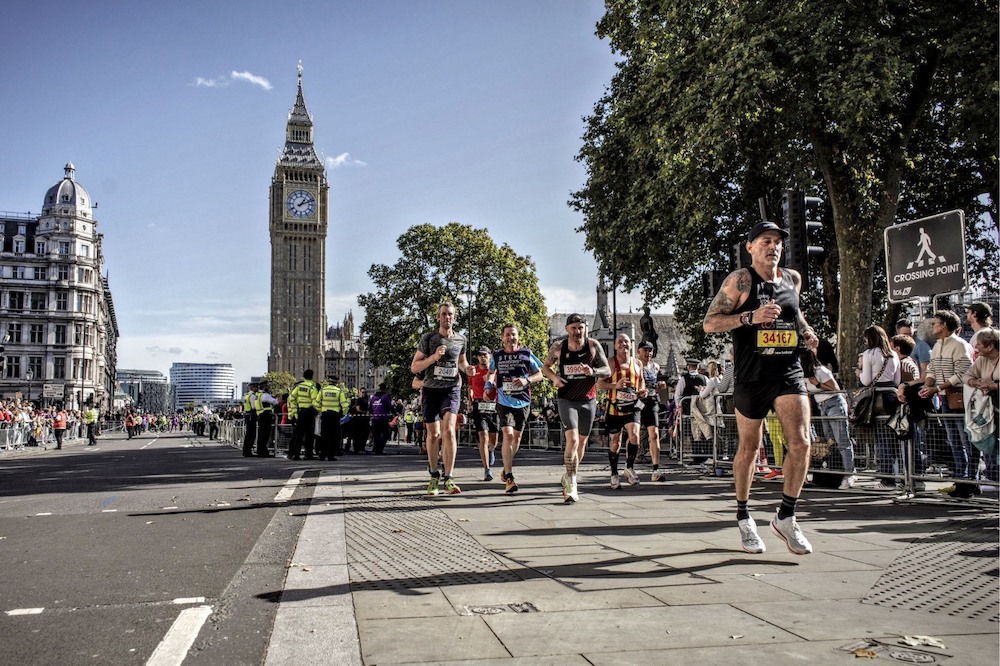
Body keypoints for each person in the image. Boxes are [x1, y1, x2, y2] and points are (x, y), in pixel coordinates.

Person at [703, 220, 819, 555]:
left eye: (778, 242)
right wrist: (750, 317)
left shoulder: (791, 279)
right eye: (766, 241)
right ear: (750, 247)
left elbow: (797, 317)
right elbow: (710, 323)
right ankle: (743, 516)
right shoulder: (740, 280)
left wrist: (806, 332)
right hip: (752, 376)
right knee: (749, 448)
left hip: (788, 371)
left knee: (801, 442)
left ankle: (786, 515)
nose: (773, 247)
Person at [541, 313, 611, 503]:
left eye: (581, 328)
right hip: (567, 399)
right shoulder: (558, 347)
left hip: (588, 400)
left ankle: (568, 475)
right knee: (571, 440)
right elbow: (545, 367)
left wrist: (593, 371)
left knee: (581, 443)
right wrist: (555, 378)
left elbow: (607, 370)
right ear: (567, 329)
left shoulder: (593, 345)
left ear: (585, 328)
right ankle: (572, 483)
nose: (577, 332)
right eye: (573, 328)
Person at [904, 311, 974, 495]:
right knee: (954, 441)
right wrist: (927, 386)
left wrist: (937, 387)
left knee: (965, 439)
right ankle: (960, 479)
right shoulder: (936, 346)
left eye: (935, 323)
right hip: (945, 398)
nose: (932, 326)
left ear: (943, 325)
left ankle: (969, 480)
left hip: (960, 397)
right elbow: (932, 369)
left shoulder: (959, 345)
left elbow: (963, 372)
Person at [411, 302, 469, 496]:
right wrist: (433, 357)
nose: (447, 317)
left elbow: (462, 362)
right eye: (443, 314)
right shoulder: (428, 338)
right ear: (438, 317)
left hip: (451, 389)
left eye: (450, 314)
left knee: (449, 431)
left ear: (454, 317)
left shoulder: (461, 339)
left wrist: (467, 369)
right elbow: (415, 367)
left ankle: (450, 477)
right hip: (430, 390)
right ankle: (434, 475)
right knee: (433, 435)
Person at [490, 324, 545, 494]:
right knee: (507, 434)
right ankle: (509, 476)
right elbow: (491, 373)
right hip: (503, 400)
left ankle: (506, 467)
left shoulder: (526, 353)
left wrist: (526, 380)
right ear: (502, 338)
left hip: (523, 401)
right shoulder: (497, 355)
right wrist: (487, 386)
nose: (510, 338)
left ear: (518, 337)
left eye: (513, 334)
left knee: (517, 438)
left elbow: (540, 374)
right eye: (507, 335)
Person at [800, 348, 855, 488]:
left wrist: (818, 384)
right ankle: (833, 470)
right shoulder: (804, 375)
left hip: (834, 402)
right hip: (821, 405)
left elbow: (835, 388)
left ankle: (849, 473)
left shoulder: (821, 371)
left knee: (842, 439)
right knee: (828, 441)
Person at [856, 325, 902, 490]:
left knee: (882, 440)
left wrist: (860, 373)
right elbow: (897, 380)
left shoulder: (870, 354)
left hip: (878, 399)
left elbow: (867, 380)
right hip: (892, 396)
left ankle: (887, 479)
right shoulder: (893, 355)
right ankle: (901, 476)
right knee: (895, 438)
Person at [598, 333, 646, 489]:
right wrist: (615, 385)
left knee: (635, 435)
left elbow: (641, 383)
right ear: (614, 345)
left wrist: (642, 391)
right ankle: (614, 473)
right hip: (614, 407)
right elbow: (600, 384)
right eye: (620, 342)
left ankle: (629, 467)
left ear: (631, 345)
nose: (623, 344)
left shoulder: (638, 363)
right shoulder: (610, 363)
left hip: (632, 406)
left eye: (626, 341)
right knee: (615, 441)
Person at [964, 327, 998, 483]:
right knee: (990, 439)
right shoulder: (981, 360)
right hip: (989, 409)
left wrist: (994, 386)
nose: (975, 347)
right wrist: (976, 382)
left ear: (990, 346)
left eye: (979, 344)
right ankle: (993, 476)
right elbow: (967, 375)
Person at [468, 346, 499, 480]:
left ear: (490, 356)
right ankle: (487, 469)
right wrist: (470, 399)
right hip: (479, 405)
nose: (482, 357)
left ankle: (491, 450)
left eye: (485, 355)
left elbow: (501, 387)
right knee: (483, 436)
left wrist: (491, 383)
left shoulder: (494, 371)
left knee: (493, 441)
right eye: (480, 355)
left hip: (493, 405)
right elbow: (470, 387)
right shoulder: (473, 371)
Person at [637, 341, 666, 481]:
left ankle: (656, 469)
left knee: (654, 434)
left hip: (652, 401)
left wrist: (661, 385)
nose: (648, 353)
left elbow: (659, 383)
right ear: (639, 351)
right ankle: (629, 465)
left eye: (650, 350)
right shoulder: (635, 365)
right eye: (645, 350)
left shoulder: (655, 367)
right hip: (637, 402)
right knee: (634, 435)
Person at [287, 369, 321, 461]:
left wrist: (295, 411)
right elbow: (315, 402)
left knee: (299, 435)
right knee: (309, 435)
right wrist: (318, 411)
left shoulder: (299, 386)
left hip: (300, 412)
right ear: (312, 376)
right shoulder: (312, 387)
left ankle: (296, 455)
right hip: (309, 413)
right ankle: (308, 454)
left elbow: (291, 398)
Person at [319, 376, 349, 460]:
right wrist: (344, 413)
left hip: (325, 415)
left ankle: (322, 455)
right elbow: (345, 404)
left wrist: (320, 411)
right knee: (333, 437)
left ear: (328, 381)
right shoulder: (339, 391)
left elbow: (317, 402)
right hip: (335, 416)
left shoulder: (323, 390)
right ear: (336, 382)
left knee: (324, 435)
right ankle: (330, 456)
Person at [255, 381, 279, 457]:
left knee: (261, 434)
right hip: (266, 416)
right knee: (265, 435)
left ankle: (260, 451)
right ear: (264, 387)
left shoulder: (257, 395)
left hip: (260, 415)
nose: (268, 387)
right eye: (267, 386)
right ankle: (264, 452)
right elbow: (275, 402)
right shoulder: (265, 395)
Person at [369, 383, 394, 454]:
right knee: (386, 434)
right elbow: (390, 406)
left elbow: (370, 408)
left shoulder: (373, 397)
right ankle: (380, 449)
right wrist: (394, 412)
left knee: (376, 435)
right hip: (383, 418)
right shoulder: (385, 396)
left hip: (375, 418)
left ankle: (376, 449)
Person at [242, 382, 258, 457]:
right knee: (251, 434)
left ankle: (246, 450)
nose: (257, 388)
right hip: (252, 415)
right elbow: (254, 406)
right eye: (255, 387)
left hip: (247, 415)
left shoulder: (247, 395)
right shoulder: (252, 396)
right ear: (252, 388)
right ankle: (248, 451)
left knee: (248, 434)